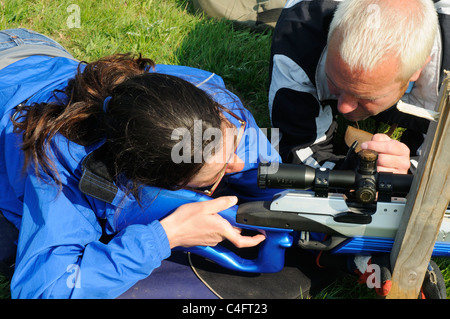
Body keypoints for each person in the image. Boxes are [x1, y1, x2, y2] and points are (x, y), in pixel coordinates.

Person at [0, 28, 283, 299]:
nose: (239, 161)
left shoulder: (208, 100)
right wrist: (165, 237)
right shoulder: (60, 166)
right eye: (220, 172)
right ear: (150, 180)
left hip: (31, 47)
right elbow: (44, 289)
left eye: (229, 142)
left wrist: (281, 197)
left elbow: (259, 161)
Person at [269, 0, 450, 173]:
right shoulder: (298, 39)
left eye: (367, 97)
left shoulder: (445, 65)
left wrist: (408, 170)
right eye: (334, 83)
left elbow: (442, 170)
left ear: (416, 71)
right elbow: (295, 151)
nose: (344, 107)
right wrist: (353, 171)